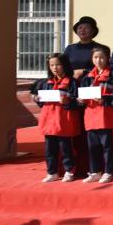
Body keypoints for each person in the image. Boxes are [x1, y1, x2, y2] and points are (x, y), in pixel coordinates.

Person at [33, 53, 80, 183]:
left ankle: (69, 171)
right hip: (48, 120)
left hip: (64, 120)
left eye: (58, 64)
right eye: (52, 65)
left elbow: (78, 102)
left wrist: (68, 101)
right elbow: (41, 103)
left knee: (66, 148)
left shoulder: (72, 82)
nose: (55, 68)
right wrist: (37, 99)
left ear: (65, 65)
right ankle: (52, 172)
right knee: (49, 149)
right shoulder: (45, 83)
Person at [78, 46, 113, 183]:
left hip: (106, 116)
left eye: (102, 57)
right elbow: (81, 95)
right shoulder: (87, 77)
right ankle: (95, 171)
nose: (99, 60)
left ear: (108, 58)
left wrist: (104, 100)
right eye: (95, 57)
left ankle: (109, 171)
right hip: (90, 116)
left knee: (107, 147)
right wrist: (81, 100)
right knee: (93, 147)